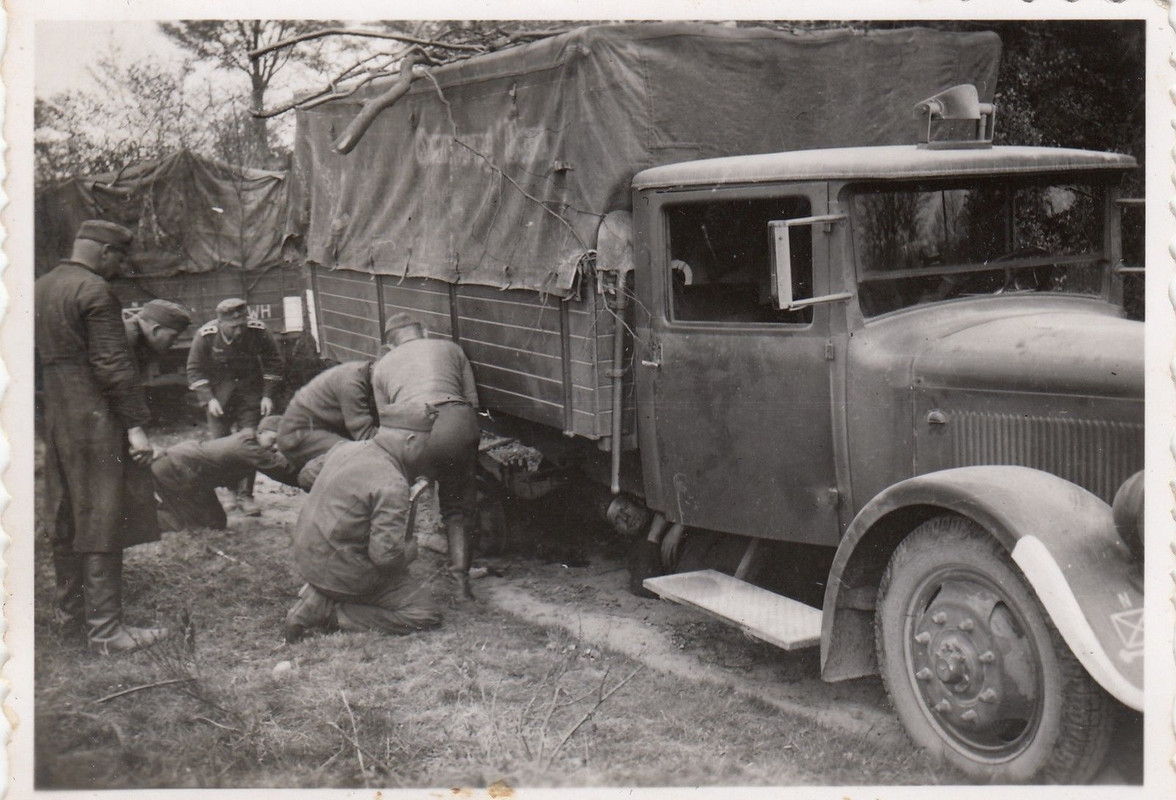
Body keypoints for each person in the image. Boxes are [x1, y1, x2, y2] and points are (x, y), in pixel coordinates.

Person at [35, 219, 167, 654]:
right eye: (119, 258)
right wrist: (134, 425)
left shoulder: (41, 287)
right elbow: (113, 363)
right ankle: (107, 631)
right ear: (105, 253)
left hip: (57, 417)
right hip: (95, 418)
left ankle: (72, 619)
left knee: (67, 514)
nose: (119, 266)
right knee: (103, 515)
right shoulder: (95, 291)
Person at [284, 428, 442, 643]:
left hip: (308, 555)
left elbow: (305, 477)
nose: (426, 450)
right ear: (410, 440)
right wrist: (410, 552)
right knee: (424, 612)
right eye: (425, 443)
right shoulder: (392, 482)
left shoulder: (346, 447)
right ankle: (326, 611)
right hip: (343, 571)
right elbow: (386, 559)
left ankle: (319, 595)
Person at [372, 312, 481, 600]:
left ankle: (397, 580)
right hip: (458, 424)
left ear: (389, 344)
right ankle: (461, 585)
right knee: (458, 507)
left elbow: (385, 419)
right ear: (424, 331)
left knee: (402, 502)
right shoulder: (451, 349)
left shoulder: (382, 366)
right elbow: (473, 401)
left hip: (415, 431)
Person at [186, 297, 283, 516]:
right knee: (221, 446)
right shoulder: (206, 336)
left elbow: (273, 363)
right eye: (233, 327)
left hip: (250, 396)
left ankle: (246, 495)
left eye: (242, 325)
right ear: (221, 322)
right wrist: (208, 398)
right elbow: (194, 369)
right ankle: (229, 491)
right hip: (218, 400)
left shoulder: (258, 331)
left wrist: (267, 396)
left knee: (249, 443)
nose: (239, 331)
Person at [152, 416, 299, 532]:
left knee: (216, 523)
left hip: (190, 475)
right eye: (272, 441)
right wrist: (312, 479)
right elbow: (283, 470)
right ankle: (143, 518)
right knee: (193, 527)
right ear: (260, 433)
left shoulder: (250, 442)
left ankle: (167, 509)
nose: (275, 447)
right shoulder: (248, 448)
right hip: (173, 469)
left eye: (279, 443)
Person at [277, 359, 378, 486]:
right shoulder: (351, 382)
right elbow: (364, 435)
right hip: (300, 433)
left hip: (324, 430)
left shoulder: (368, 375)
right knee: (357, 457)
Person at [124, 298, 191, 370]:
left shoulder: (134, 336)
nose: (175, 342)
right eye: (173, 336)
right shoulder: (127, 340)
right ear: (155, 330)